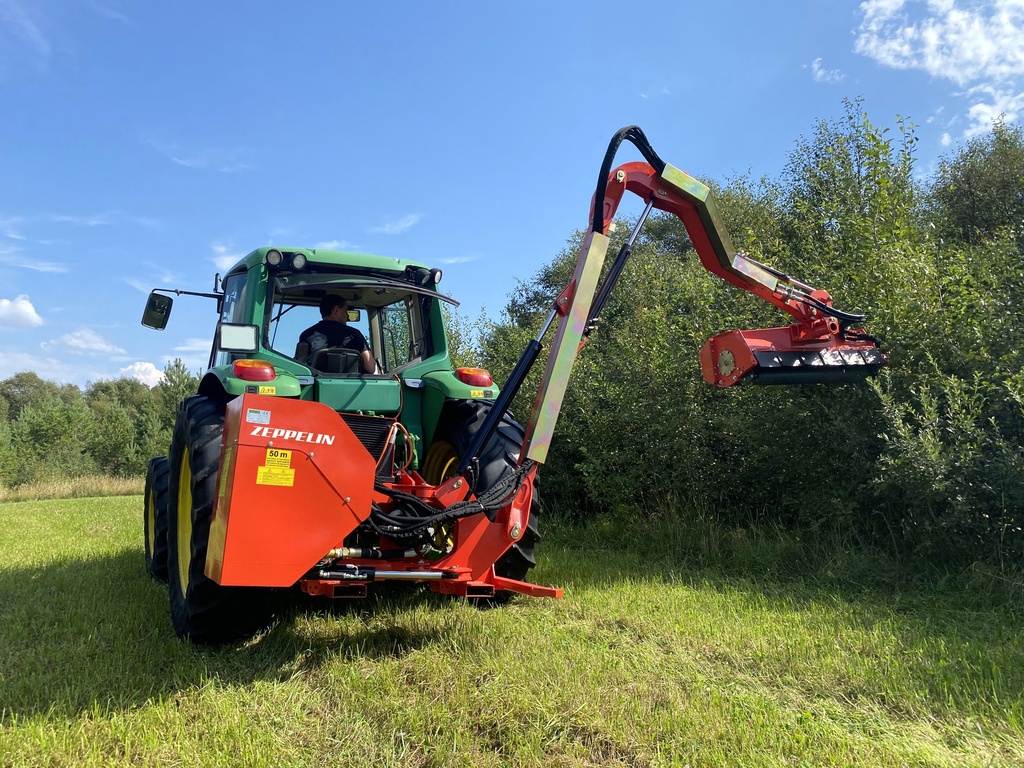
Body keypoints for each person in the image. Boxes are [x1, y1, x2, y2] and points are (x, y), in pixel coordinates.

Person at [299, 295, 375, 373]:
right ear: (336, 310)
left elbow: (301, 367)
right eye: (346, 311)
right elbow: (371, 367)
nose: (347, 315)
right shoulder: (354, 335)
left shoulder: (306, 335)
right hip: (351, 384)